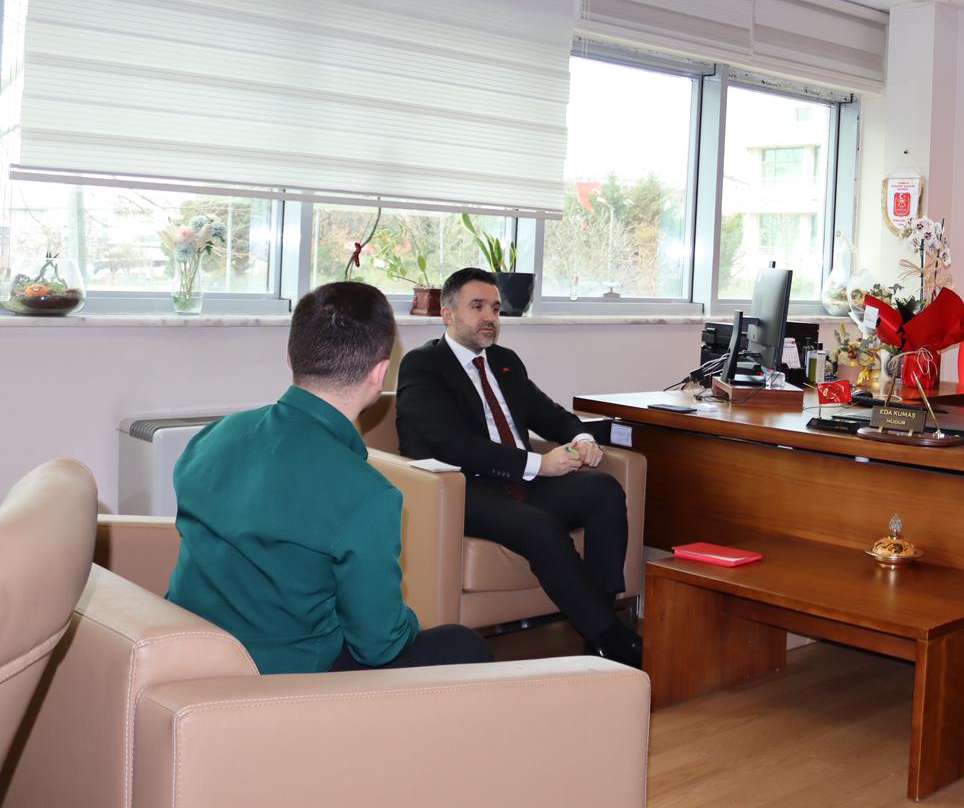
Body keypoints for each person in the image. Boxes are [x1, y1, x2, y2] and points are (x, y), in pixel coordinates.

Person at [167, 281, 492, 674]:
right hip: (281, 678)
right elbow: (379, 645)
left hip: (188, 656)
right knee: (463, 645)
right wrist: (407, 621)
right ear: (380, 374)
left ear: (291, 358)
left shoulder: (214, 436)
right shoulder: (368, 494)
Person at [395, 267, 642, 667]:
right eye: (477, 307)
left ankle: (598, 629)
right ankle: (614, 640)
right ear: (448, 314)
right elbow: (452, 444)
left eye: (495, 308)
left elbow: (549, 413)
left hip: (521, 480)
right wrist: (538, 464)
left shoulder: (505, 362)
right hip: (466, 487)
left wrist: (582, 437)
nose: (489, 317)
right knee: (539, 526)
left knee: (604, 491)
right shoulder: (424, 365)